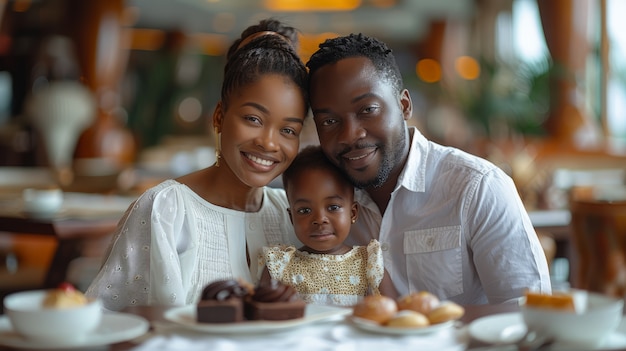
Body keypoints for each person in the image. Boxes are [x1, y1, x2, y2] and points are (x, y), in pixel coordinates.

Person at [305, 33, 551, 305]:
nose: (350, 135)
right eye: (329, 121)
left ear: (404, 106)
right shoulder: (316, 203)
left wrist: (421, 325)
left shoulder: (478, 187)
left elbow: (528, 313)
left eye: (368, 109)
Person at [85, 20, 309, 311]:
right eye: (253, 119)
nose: (269, 143)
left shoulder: (294, 215)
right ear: (219, 116)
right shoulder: (166, 209)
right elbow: (111, 319)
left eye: (288, 130)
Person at [259, 146, 397, 306]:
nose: (319, 219)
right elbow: (263, 317)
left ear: (353, 213)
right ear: (292, 217)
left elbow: (392, 315)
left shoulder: (368, 264)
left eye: (333, 207)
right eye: (304, 210)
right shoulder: (280, 266)